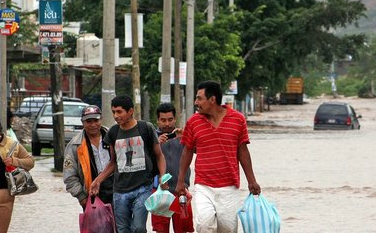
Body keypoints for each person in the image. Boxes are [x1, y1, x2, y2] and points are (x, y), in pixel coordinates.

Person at [176, 80, 261, 233]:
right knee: (204, 225)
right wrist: (181, 181)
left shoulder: (238, 119)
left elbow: (243, 152)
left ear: (212, 99)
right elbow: (187, 152)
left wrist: (252, 181)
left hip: (229, 186)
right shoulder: (194, 122)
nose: (196, 102)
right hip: (203, 185)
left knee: (228, 229)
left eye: (199, 98)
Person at [90, 95, 167, 233]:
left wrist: (163, 176)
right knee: (122, 229)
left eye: (119, 112)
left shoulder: (146, 128)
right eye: (114, 112)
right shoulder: (113, 132)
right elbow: (113, 162)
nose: (115, 115)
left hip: (143, 188)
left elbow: (159, 155)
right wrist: (98, 180)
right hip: (120, 191)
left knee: (138, 228)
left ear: (130, 111)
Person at [151, 102, 194, 233]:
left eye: (170, 119)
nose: (167, 124)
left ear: (175, 119)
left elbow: (199, 150)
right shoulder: (152, 139)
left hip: (181, 191)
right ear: (157, 120)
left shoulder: (183, 135)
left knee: (182, 230)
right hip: (159, 192)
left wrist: (186, 138)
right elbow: (145, 161)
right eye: (163, 120)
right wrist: (156, 144)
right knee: (160, 230)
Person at [63, 105, 114, 209]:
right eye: (88, 121)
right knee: (97, 225)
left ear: (101, 119)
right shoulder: (75, 145)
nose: (93, 125)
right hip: (92, 194)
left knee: (121, 224)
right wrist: (82, 197)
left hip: (117, 190)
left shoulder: (113, 136)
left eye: (96, 120)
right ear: (82, 122)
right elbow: (69, 176)